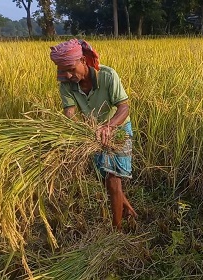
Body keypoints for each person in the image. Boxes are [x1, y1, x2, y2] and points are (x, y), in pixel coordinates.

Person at [49, 39, 137, 231]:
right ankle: (128, 210)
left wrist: (109, 126)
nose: (68, 75)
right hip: (91, 133)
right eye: (63, 71)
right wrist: (73, 130)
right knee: (104, 178)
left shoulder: (107, 75)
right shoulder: (66, 83)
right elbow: (70, 113)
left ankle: (117, 230)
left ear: (83, 60)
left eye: (71, 69)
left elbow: (124, 107)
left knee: (113, 179)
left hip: (117, 129)